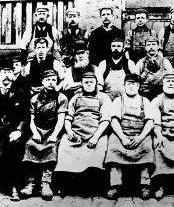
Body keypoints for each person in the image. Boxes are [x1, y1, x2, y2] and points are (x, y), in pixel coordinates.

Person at [54, 72, 111, 192]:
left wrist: (95, 137)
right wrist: (69, 132)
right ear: (82, 84)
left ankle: (93, 185)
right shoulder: (75, 98)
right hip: (76, 132)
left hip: (96, 133)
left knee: (100, 149)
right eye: (86, 82)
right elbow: (68, 117)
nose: (89, 85)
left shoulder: (103, 97)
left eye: (91, 82)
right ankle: (65, 184)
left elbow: (105, 120)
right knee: (64, 146)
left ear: (96, 83)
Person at [105, 74, 155, 200]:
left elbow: (150, 122)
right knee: (113, 145)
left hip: (140, 133)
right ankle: (115, 185)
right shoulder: (118, 100)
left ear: (138, 86)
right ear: (124, 86)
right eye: (128, 84)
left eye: (134, 84)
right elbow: (114, 121)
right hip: (122, 132)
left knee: (147, 146)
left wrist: (140, 137)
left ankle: (145, 185)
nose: (131, 86)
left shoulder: (145, 101)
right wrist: (122, 137)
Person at [21, 70, 68, 201]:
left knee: (52, 147)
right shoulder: (35, 98)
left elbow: (61, 120)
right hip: (38, 130)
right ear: (42, 82)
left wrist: (54, 135)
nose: (51, 83)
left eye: (53, 80)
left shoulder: (61, 98)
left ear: (57, 82)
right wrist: (35, 133)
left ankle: (46, 184)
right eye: (48, 80)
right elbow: (31, 120)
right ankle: (30, 183)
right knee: (29, 145)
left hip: (53, 130)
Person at [0, 58, 29, 201]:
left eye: (9, 72)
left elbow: (25, 115)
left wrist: (19, 130)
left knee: (15, 146)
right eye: (3, 72)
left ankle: (14, 187)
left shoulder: (20, 92)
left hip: (12, 131)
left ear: (13, 74)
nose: (6, 75)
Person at [136, 36, 173, 101]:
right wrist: (141, 77)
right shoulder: (141, 62)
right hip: (145, 95)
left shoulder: (165, 62)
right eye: (148, 45)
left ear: (158, 46)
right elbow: (135, 79)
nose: (151, 47)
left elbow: (172, 78)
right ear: (145, 47)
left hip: (161, 95)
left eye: (153, 44)